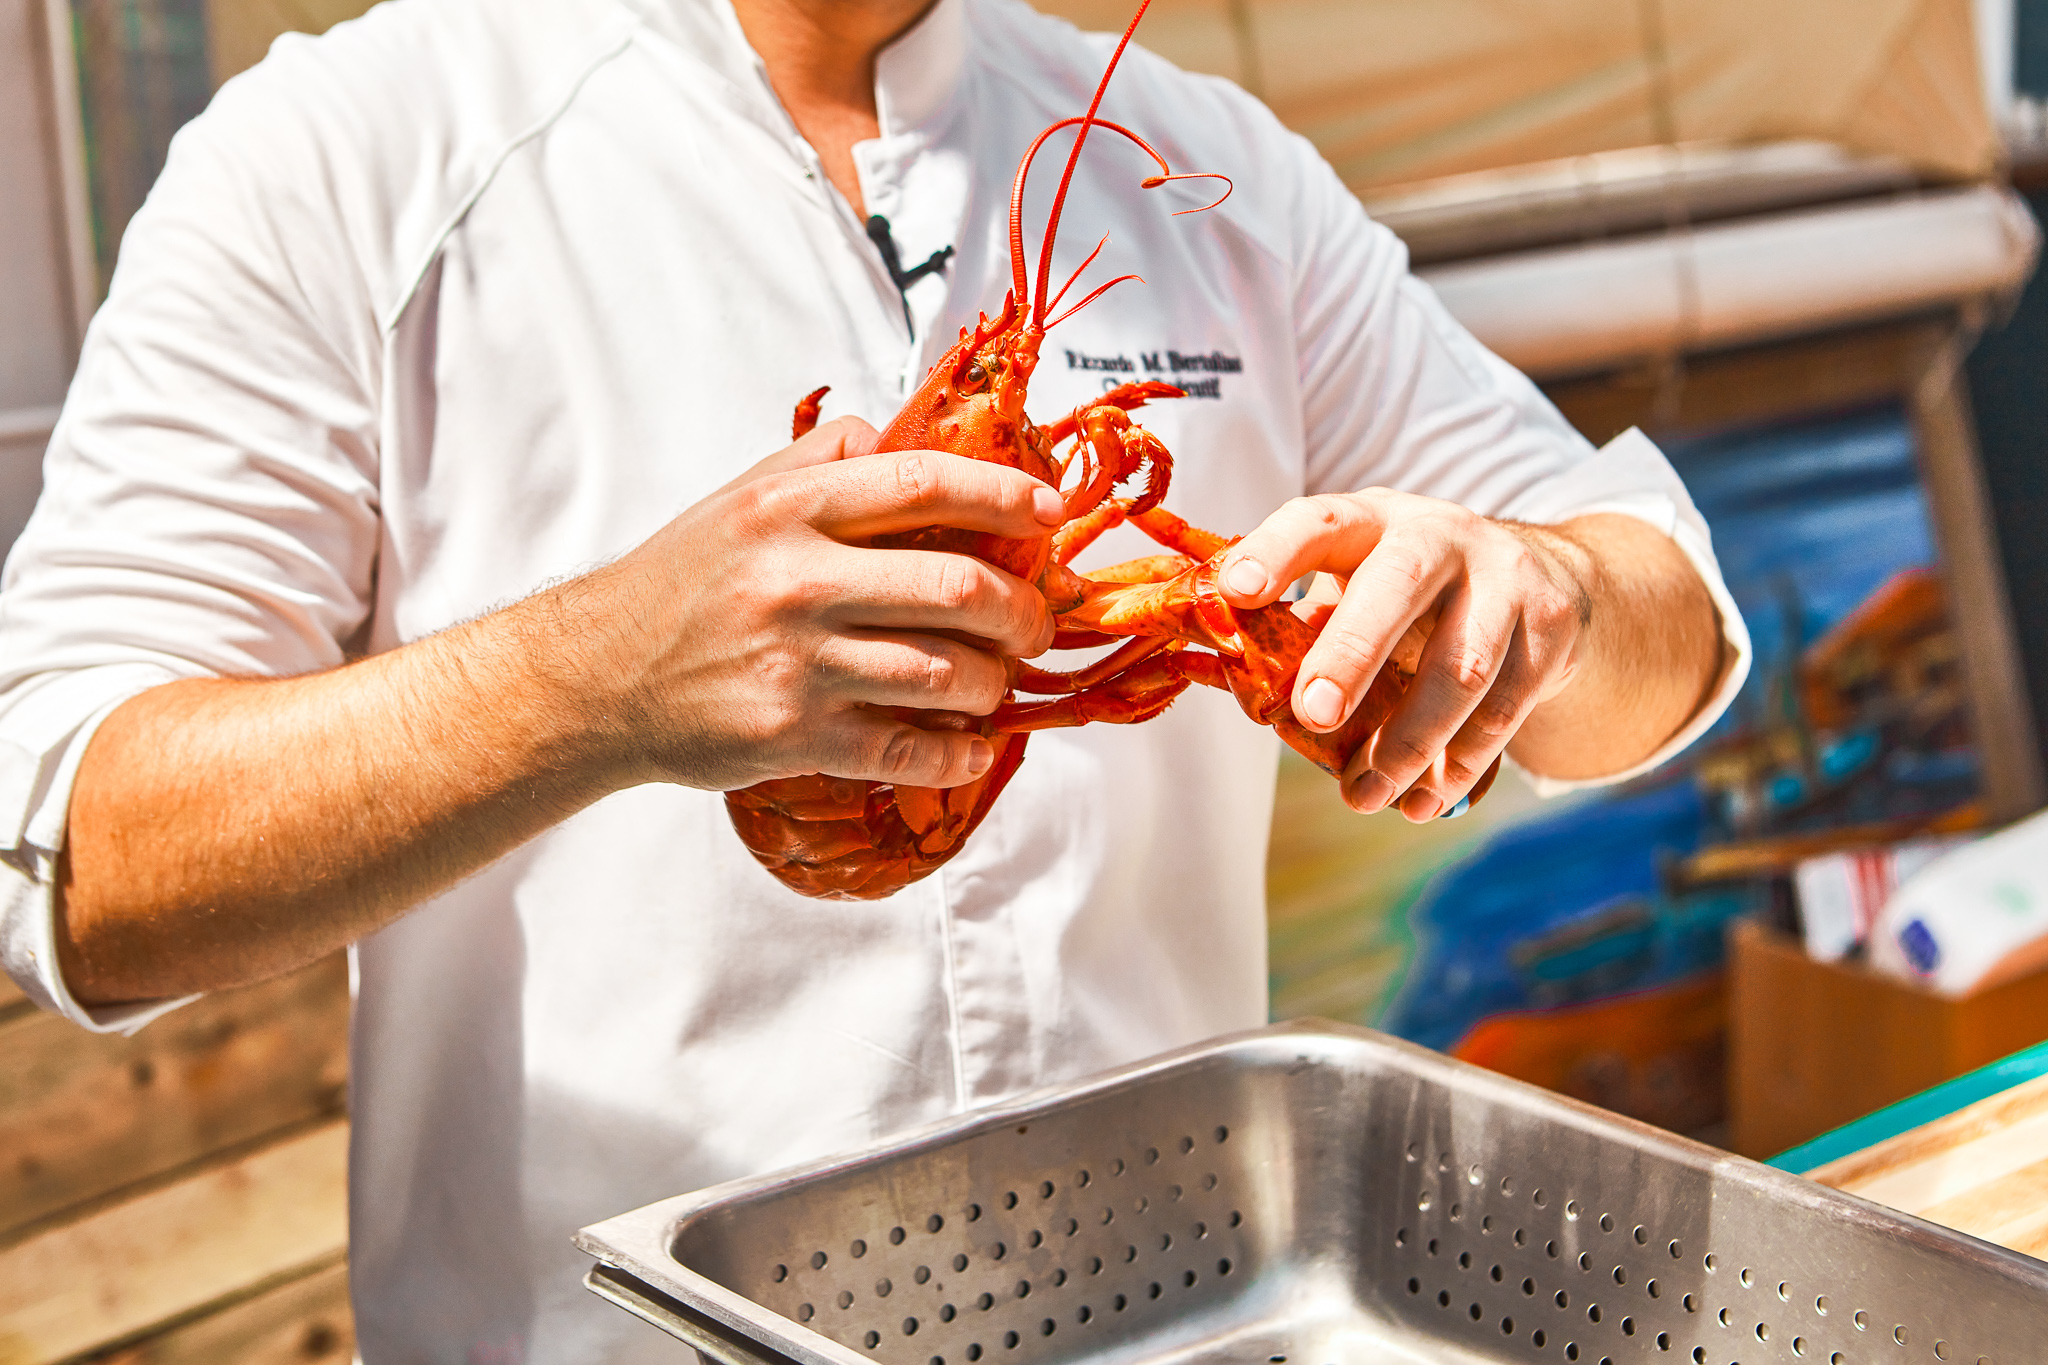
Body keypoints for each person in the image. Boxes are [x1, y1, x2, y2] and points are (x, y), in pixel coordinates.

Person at [0, 0, 1748, 1356]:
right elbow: (79, 851)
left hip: (1183, 1324)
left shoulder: (1206, 165)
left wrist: (1547, 596)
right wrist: (601, 675)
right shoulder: (351, 146)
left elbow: (1664, 623)